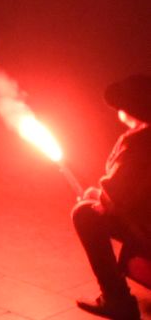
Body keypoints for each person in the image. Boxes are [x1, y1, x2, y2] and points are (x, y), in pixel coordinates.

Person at [72, 74, 151, 320]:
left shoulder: (140, 143)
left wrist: (98, 196)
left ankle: (117, 299)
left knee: (85, 214)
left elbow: (119, 194)